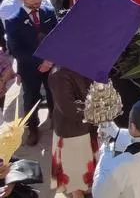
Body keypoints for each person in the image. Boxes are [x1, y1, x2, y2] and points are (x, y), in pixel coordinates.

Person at [5, 0, 57, 146]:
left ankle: (55, 121)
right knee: (31, 98)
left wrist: (50, 61)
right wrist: (41, 61)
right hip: (29, 68)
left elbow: (56, 38)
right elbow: (16, 50)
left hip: (51, 64)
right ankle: (32, 129)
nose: (37, 1)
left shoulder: (48, 12)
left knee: (54, 94)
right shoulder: (13, 21)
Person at [48, 66, 97, 197]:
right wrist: (96, 109)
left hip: (88, 126)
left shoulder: (87, 66)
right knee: (75, 174)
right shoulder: (58, 75)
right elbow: (69, 109)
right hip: (72, 133)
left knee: (85, 167)